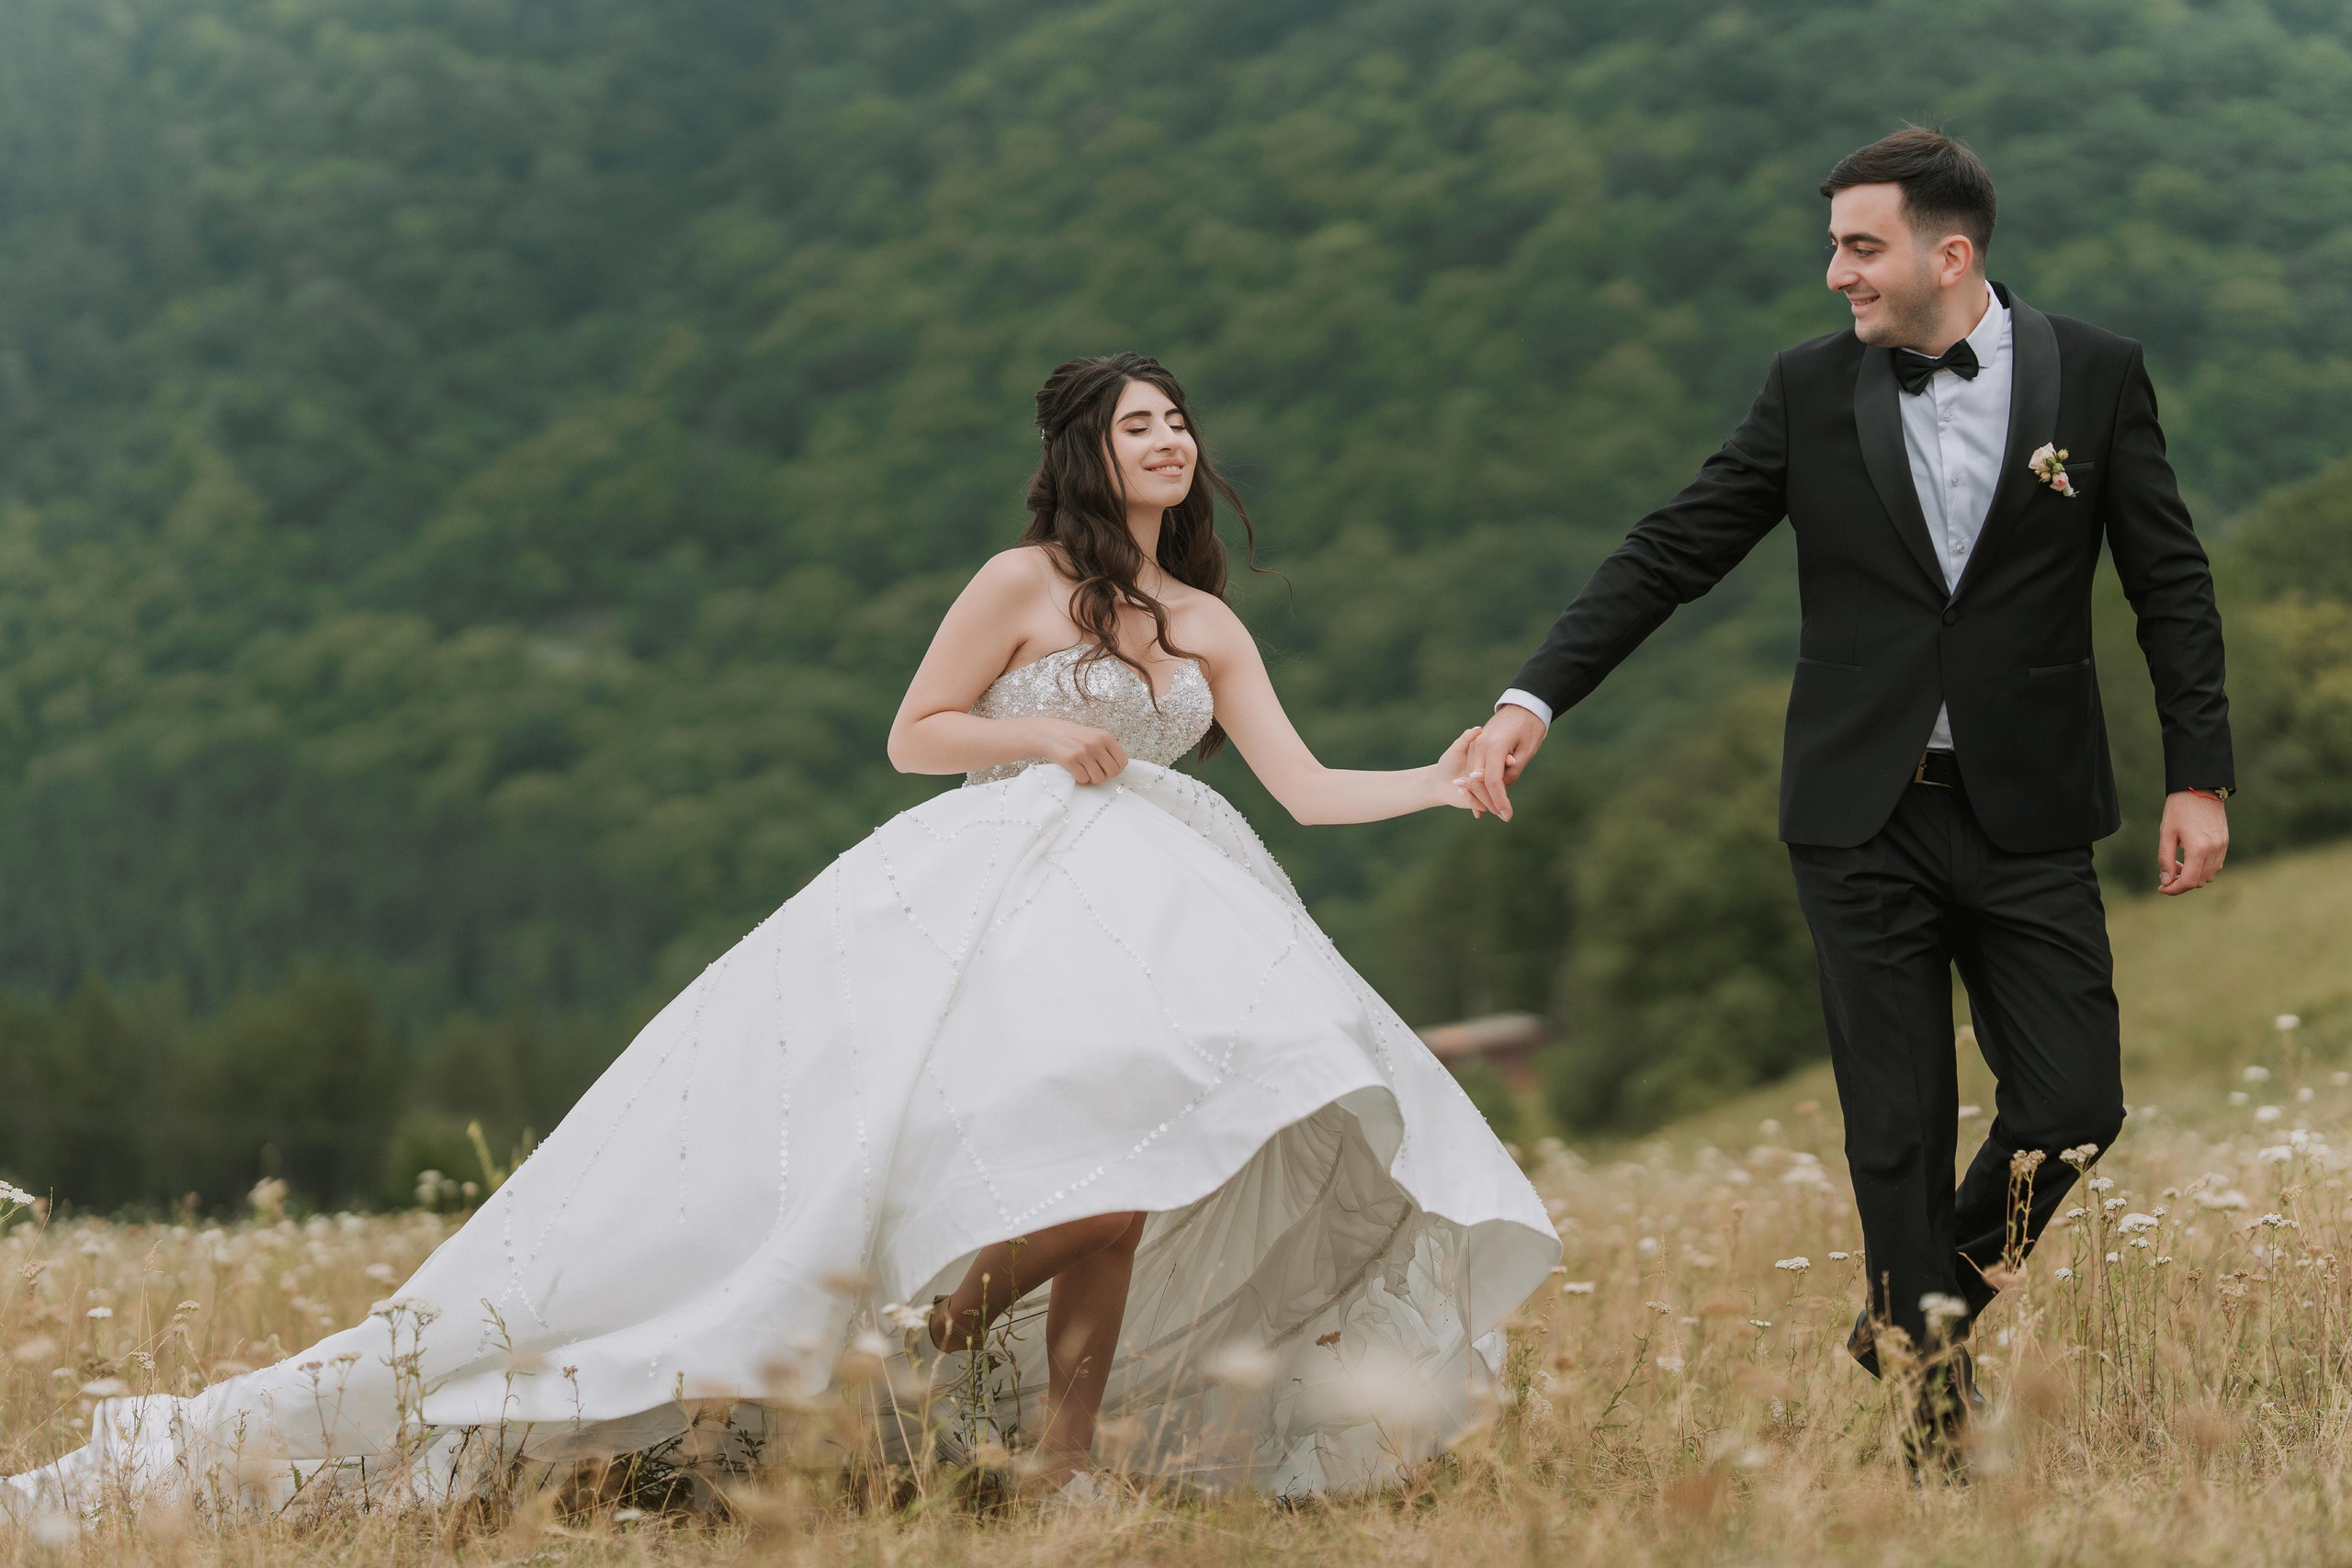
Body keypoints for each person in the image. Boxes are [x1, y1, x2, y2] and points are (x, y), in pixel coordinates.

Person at [6, 353, 1559, 1519]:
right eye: (1140, 422)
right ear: (1088, 451)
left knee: (1132, 1173)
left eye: (1179, 421)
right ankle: (907, 1351)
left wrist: (1439, 776)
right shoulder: (1022, 580)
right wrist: (1042, 744)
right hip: (1001, 899)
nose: (1171, 440)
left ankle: (1050, 1456)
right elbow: (916, 734)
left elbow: (1299, 783)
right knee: (1063, 1173)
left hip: (1160, 901)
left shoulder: (1207, 623)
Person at [1459, 127, 2233, 1465]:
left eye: (1859, 247)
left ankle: (1906, 1310)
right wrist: (1534, 698)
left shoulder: (2095, 376)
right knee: (1896, 1121)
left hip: (2031, 809)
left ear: (1953, 252)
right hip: (1856, 814)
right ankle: (1936, 1420)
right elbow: (1672, 551)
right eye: (1833, 246)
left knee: (2072, 1107)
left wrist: (2200, 775)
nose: (1835, 275)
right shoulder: (1808, 391)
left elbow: (2171, 585)